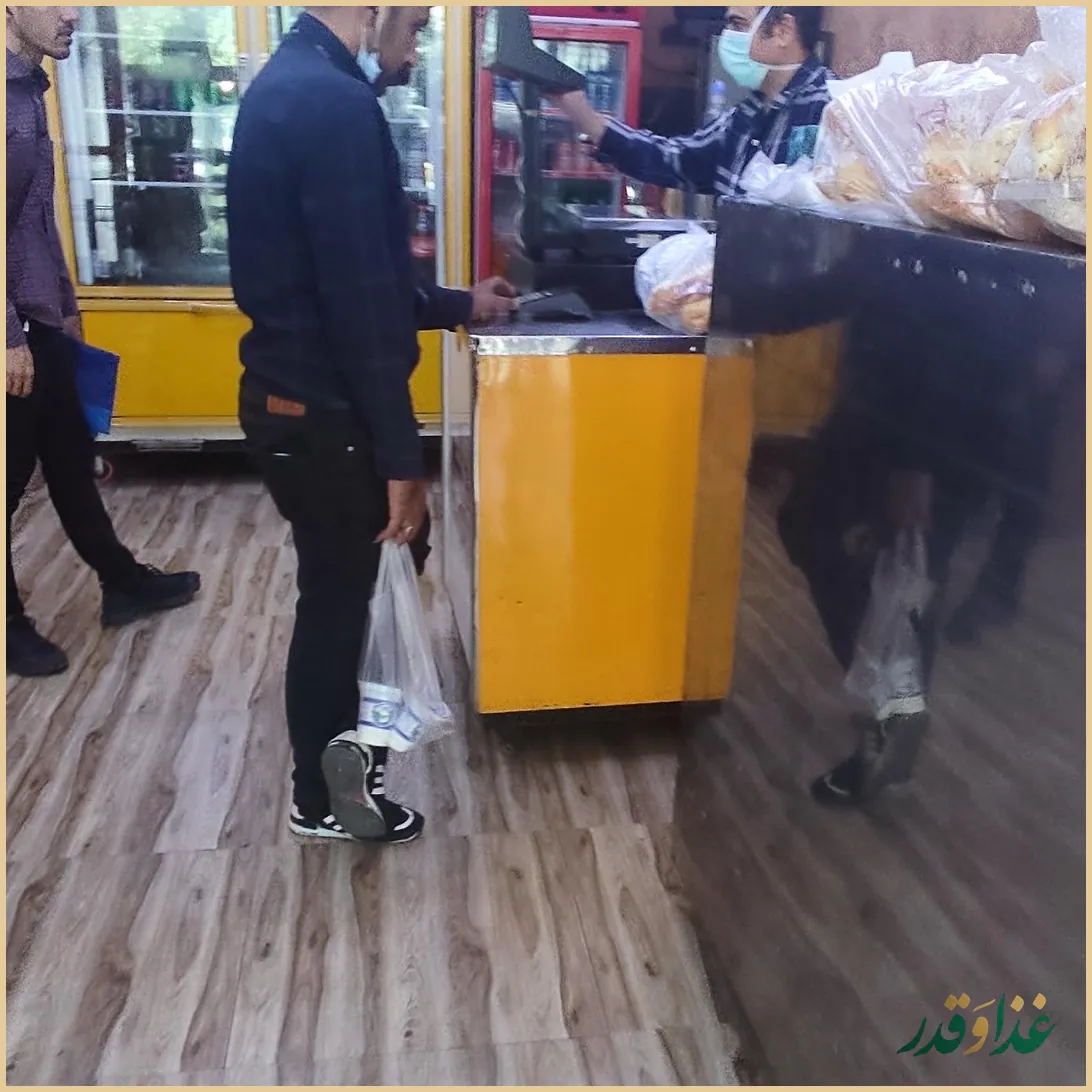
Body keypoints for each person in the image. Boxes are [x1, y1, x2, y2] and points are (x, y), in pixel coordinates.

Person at [226, 6, 515, 846]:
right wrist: (400, 454)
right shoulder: (336, 105)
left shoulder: (291, 84)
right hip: (328, 414)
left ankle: (347, 767)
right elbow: (358, 306)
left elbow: (353, 278)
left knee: (346, 589)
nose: (413, 47)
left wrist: (459, 304)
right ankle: (323, 798)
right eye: (415, 25)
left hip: (293, 401)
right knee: (341, 601)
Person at [6, 6, 201, 679]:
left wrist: (65, 308)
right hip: (12, 334)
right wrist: (8, 336)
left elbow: (33, 223)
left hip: (40, 323)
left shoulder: (29, 91)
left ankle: (123, 583)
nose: (73, 13)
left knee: (71, 462)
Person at [554, 6, 829, 197]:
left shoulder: (832, 110)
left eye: (738, 24)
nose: (727, 36)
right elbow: (676, 159)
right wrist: (587, 118)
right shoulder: (746, 117)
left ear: (782, 31)